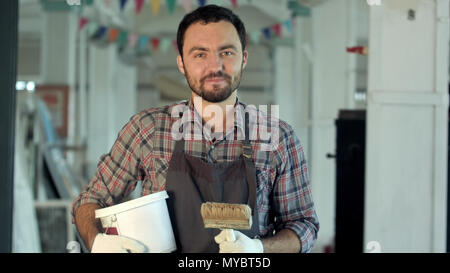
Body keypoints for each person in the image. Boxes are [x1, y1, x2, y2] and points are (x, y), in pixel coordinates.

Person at [72, 4, 319, 253]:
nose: (215, 66)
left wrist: (259, 249)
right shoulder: (147, 130)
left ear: (244, 58)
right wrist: (97, 242)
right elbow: (91, 200)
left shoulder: (278, 137)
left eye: (227, 52)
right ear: (181, 63)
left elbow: (304, 226)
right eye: (200, 54)